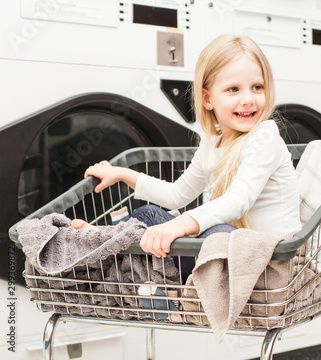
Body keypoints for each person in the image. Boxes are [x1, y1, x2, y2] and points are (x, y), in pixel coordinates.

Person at [73, 34, 301, 283]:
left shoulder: (264, 136)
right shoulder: (212, 143)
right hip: (231, 260)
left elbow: (238, 200)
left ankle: (152, 280)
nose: (248, 98)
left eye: (257, 87)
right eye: (233, 89)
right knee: (150, 214)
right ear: (207, 99)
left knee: (217, 233)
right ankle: (106, 243)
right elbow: (176, 195)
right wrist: (122, 173)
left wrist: (180, 224)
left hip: (270, 263)